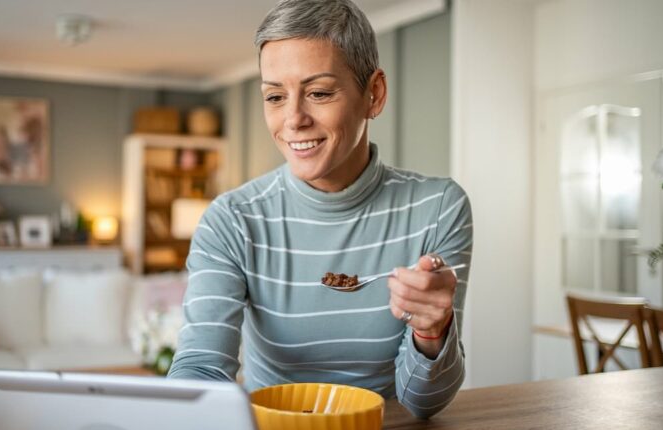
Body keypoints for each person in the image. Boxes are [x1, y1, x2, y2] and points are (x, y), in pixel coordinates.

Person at [167, 0, 473, 419]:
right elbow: (202, 367)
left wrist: (431, 331)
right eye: (275, 96)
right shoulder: (232, 220)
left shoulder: (437, 208)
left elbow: (423, 402)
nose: (293, 119)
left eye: (319, 93)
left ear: (374, 94)